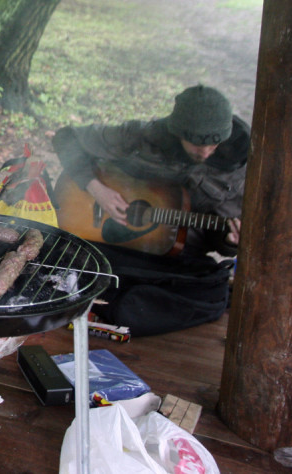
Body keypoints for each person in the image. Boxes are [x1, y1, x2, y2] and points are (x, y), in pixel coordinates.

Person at [52, 84, 250, 334]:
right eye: (196, 143)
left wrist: (231, 242)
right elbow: (66, 138)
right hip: (119, 244)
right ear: (177, 131)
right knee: (62, 253)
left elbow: (219, 239)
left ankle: (105, 297)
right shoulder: (143, 137)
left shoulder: (240, 168)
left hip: (178, 256)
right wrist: (96, 188)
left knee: (213, 294)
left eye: (215, 144)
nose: (207, 152)